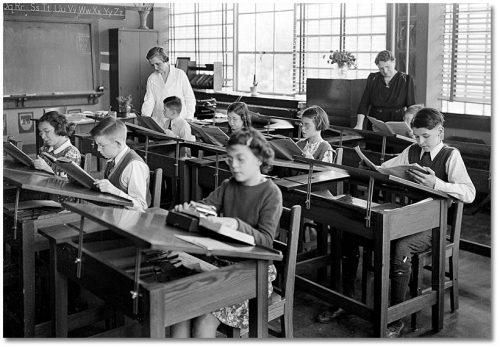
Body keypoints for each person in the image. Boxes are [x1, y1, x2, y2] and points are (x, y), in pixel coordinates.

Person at [317, 108, 476, 338]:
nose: (420, 142)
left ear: (440, 132)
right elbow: (387, 169)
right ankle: (346, 299)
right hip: (407, 216)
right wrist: (372, 169)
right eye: (416, 136)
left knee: (401, 247)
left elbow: (469, 193)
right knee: (351, 231)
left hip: (433, 227)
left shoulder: (451, 155)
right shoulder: (412, 150)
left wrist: (437, 184)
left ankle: (396, 318)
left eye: (425, 136)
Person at [170, 128, 283, 337]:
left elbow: (267, 241)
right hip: (222, 265)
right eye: (230, 159)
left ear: (259, 159)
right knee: (180, 309)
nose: (234, 165)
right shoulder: (228, 185)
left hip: (253, 274)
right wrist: (191, 209)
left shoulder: (271, 193)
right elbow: (208, 207)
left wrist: (235, 223)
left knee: (204, 321)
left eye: (241, 159)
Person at [90, 117, 151, 211]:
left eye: (102, 145)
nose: (98, 149)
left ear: (118, 143)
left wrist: (113, 190)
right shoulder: (113, 159)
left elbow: (141, 207)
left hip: (130, 221)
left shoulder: (134, 165)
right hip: (113, 214)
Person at [354, 50, 416, 130]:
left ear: (394, 62)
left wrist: (409, 120)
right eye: (381, 68)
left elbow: (411, 107)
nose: (385, 71)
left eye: (388, 67)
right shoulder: (373, 78)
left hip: (397, 123)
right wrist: (359, 125)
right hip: (375, 124)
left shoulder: (406, 80)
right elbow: (364, 104)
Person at [141, 46, 196, 122]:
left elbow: (189, 97)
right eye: (152, 65)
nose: (155, 68)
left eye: (158, 64)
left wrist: (189, 117)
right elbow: (149, 101)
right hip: (159, 120)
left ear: (165, 60)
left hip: (179, 120)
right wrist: (144, 118)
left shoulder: (179, 74)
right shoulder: (152, 78)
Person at [33, 111, 81, 176]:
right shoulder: (45, 148)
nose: (43, 136)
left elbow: (66, 183)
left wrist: (46, 168)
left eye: (47, 131)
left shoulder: (71, 153)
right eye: (41, 133)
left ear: (59, 128)